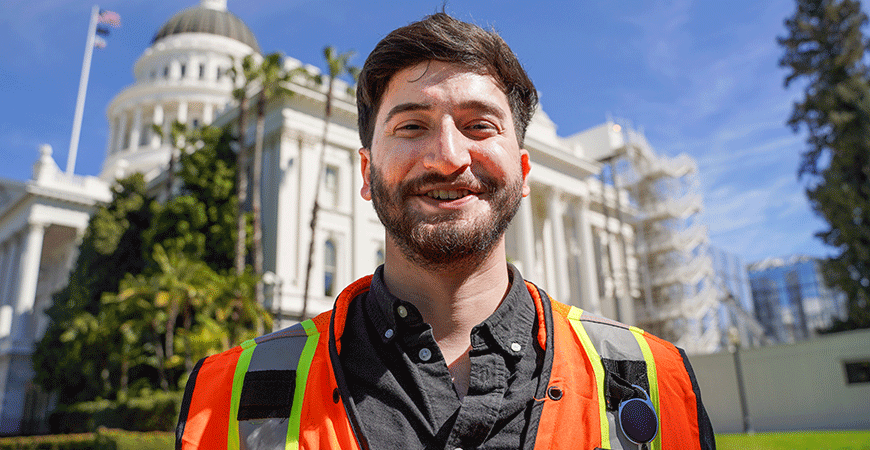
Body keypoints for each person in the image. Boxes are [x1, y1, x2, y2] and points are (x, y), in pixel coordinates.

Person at [175, 12, 715, 450]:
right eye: (412, 126)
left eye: (479, 125)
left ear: (524, 174)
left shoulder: (653, 382)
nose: (448, 156)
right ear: (366, 173)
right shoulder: (229, 397)